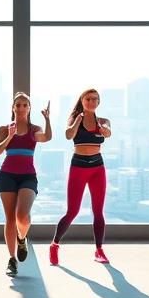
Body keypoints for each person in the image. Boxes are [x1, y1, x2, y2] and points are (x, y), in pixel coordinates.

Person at [0, 93, 52, 277]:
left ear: (29, 108)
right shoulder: (4, 129)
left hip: (28, 176)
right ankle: (11, 259)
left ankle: (22, 238)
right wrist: (9, 136)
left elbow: (46, 137)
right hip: (7, 175)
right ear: (13, 108)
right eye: (18, 105)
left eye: (25, 105)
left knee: (22, 216)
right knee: (10, 218)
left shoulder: (34, 129)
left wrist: (47, 119)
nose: (21, 108)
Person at [49, 89, 111, 266]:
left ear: (99, 102)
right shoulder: (75, 118)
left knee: (98, 211)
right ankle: (54, 245)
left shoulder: (103, 121)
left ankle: (99, 250)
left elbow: (107, 134)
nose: (91, 102)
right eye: (88, 99)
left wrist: (101, 127)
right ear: (82, 101)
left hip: (97, 168)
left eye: (95, 99)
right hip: (79, 167)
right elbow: (69, 135)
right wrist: (78, 120)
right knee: (72, 211)